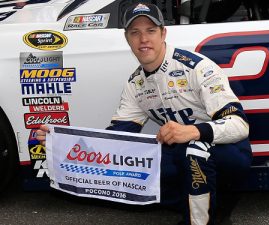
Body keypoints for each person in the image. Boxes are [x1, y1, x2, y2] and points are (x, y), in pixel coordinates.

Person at [37, 2, 252, 225]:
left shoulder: (197, 68)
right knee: (138, 167)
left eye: (150, 31)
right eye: (135, 33)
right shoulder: (136, 84)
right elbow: (116, 142)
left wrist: (193, 131)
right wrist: (61, 143)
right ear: (127, 38)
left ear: (163, 33)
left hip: (227, 151)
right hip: (182, 153)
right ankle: (209, 207)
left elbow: (239, 125)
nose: (143, 39)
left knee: (194, 151)